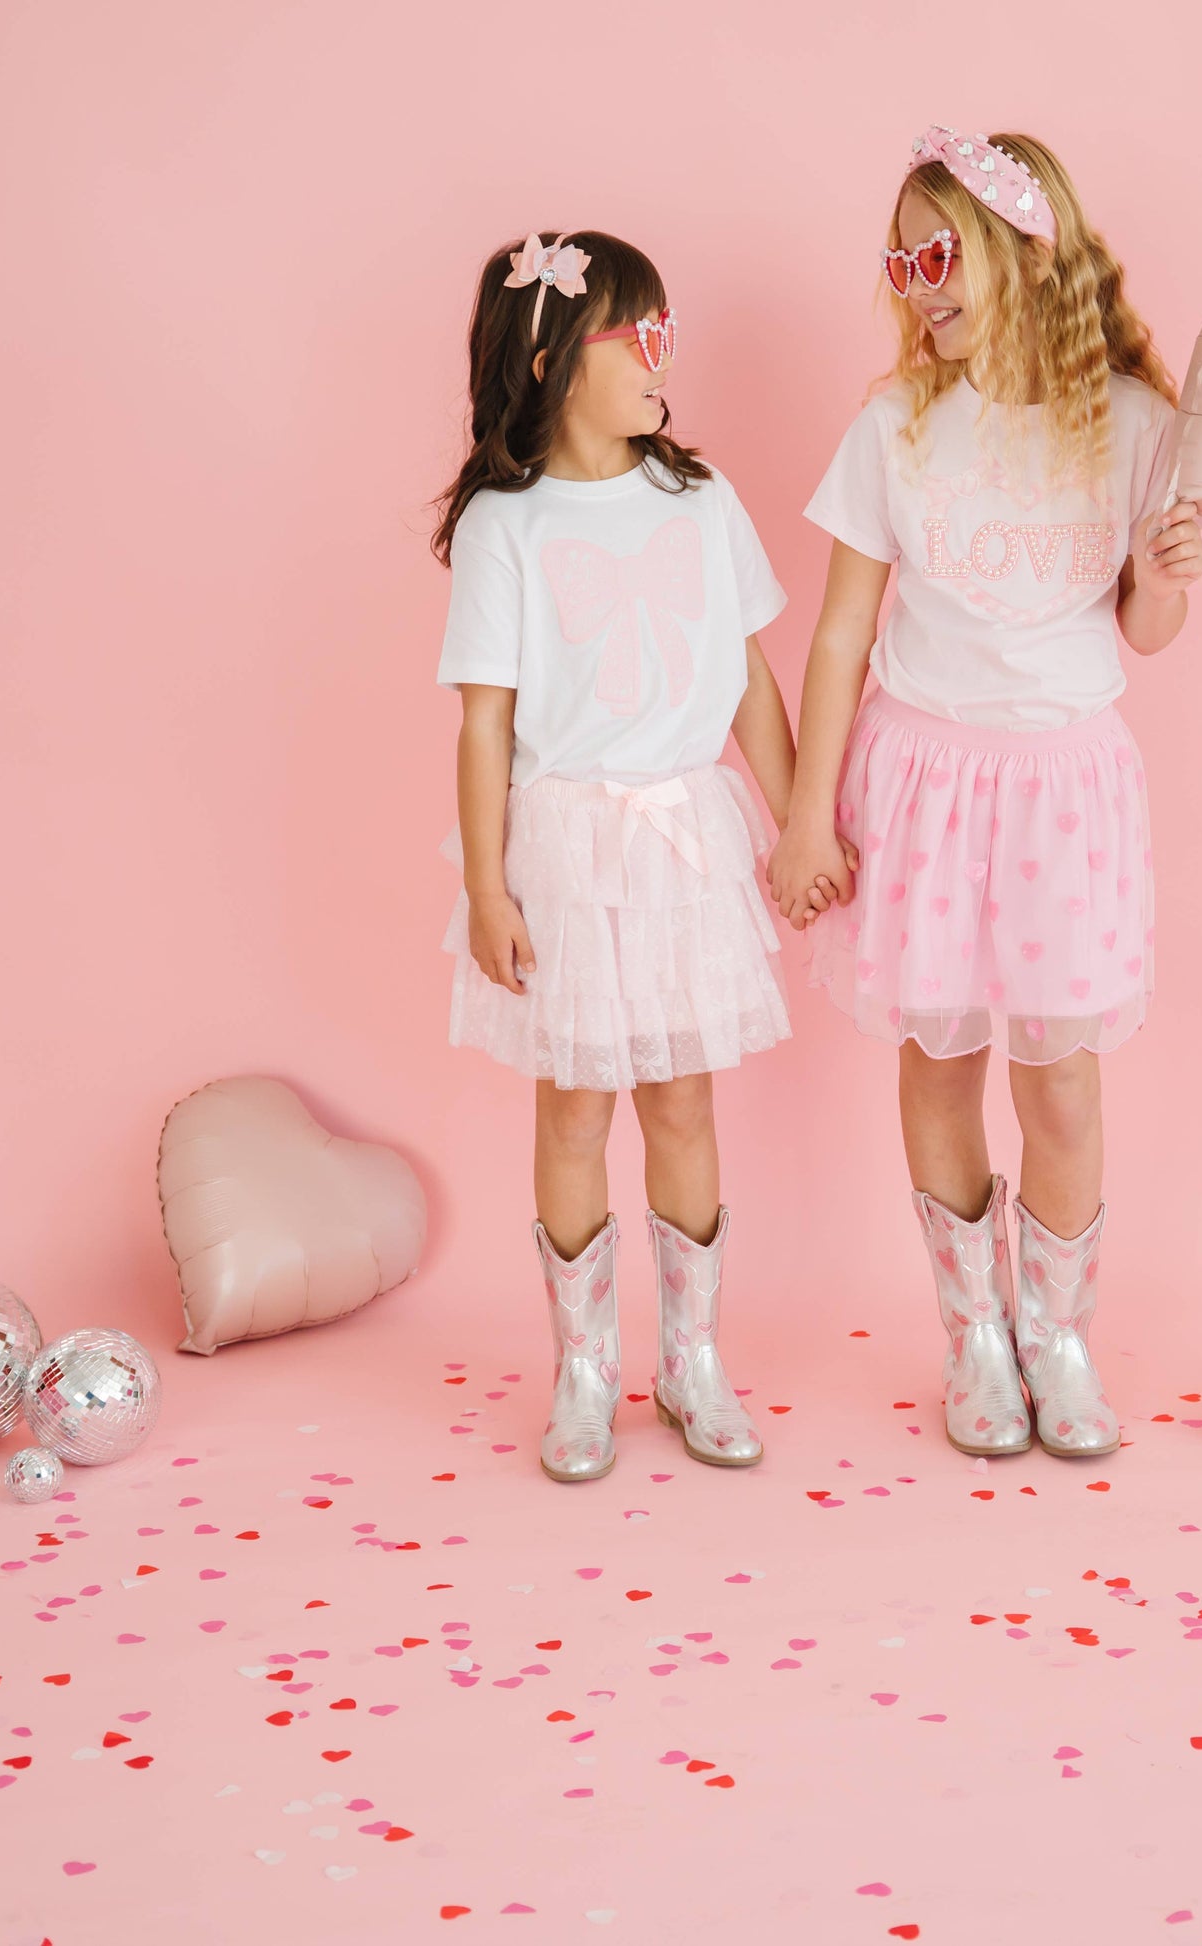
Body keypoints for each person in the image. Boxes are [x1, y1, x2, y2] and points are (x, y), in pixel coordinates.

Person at [768, 130, 1202, 1461]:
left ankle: (1056, 1337)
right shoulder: (894, 425)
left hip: (1061, 791)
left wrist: (1162, 577)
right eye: (901, 263)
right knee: (940, 1059)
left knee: (1060, 1078)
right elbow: (839, 634)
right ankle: (972, 1337)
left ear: (1026, 254)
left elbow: (1146, 632)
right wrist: (805, 812)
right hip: (923, 781)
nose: (918, 287)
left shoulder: (1131, 424)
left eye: (940, 256)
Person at [433, 231, 799, 1482]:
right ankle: (584, 1370)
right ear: (552, 361)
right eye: (635, 334)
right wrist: (485, 883)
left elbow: (749, 677)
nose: (660, 357)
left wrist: (796, 818)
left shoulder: (700, 499)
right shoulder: (506, 524)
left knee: (683, 1097)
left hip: (683, 837)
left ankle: (690, 1359)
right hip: (567, 844)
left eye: (665, 332)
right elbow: (484, 721)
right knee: (576, 1104)